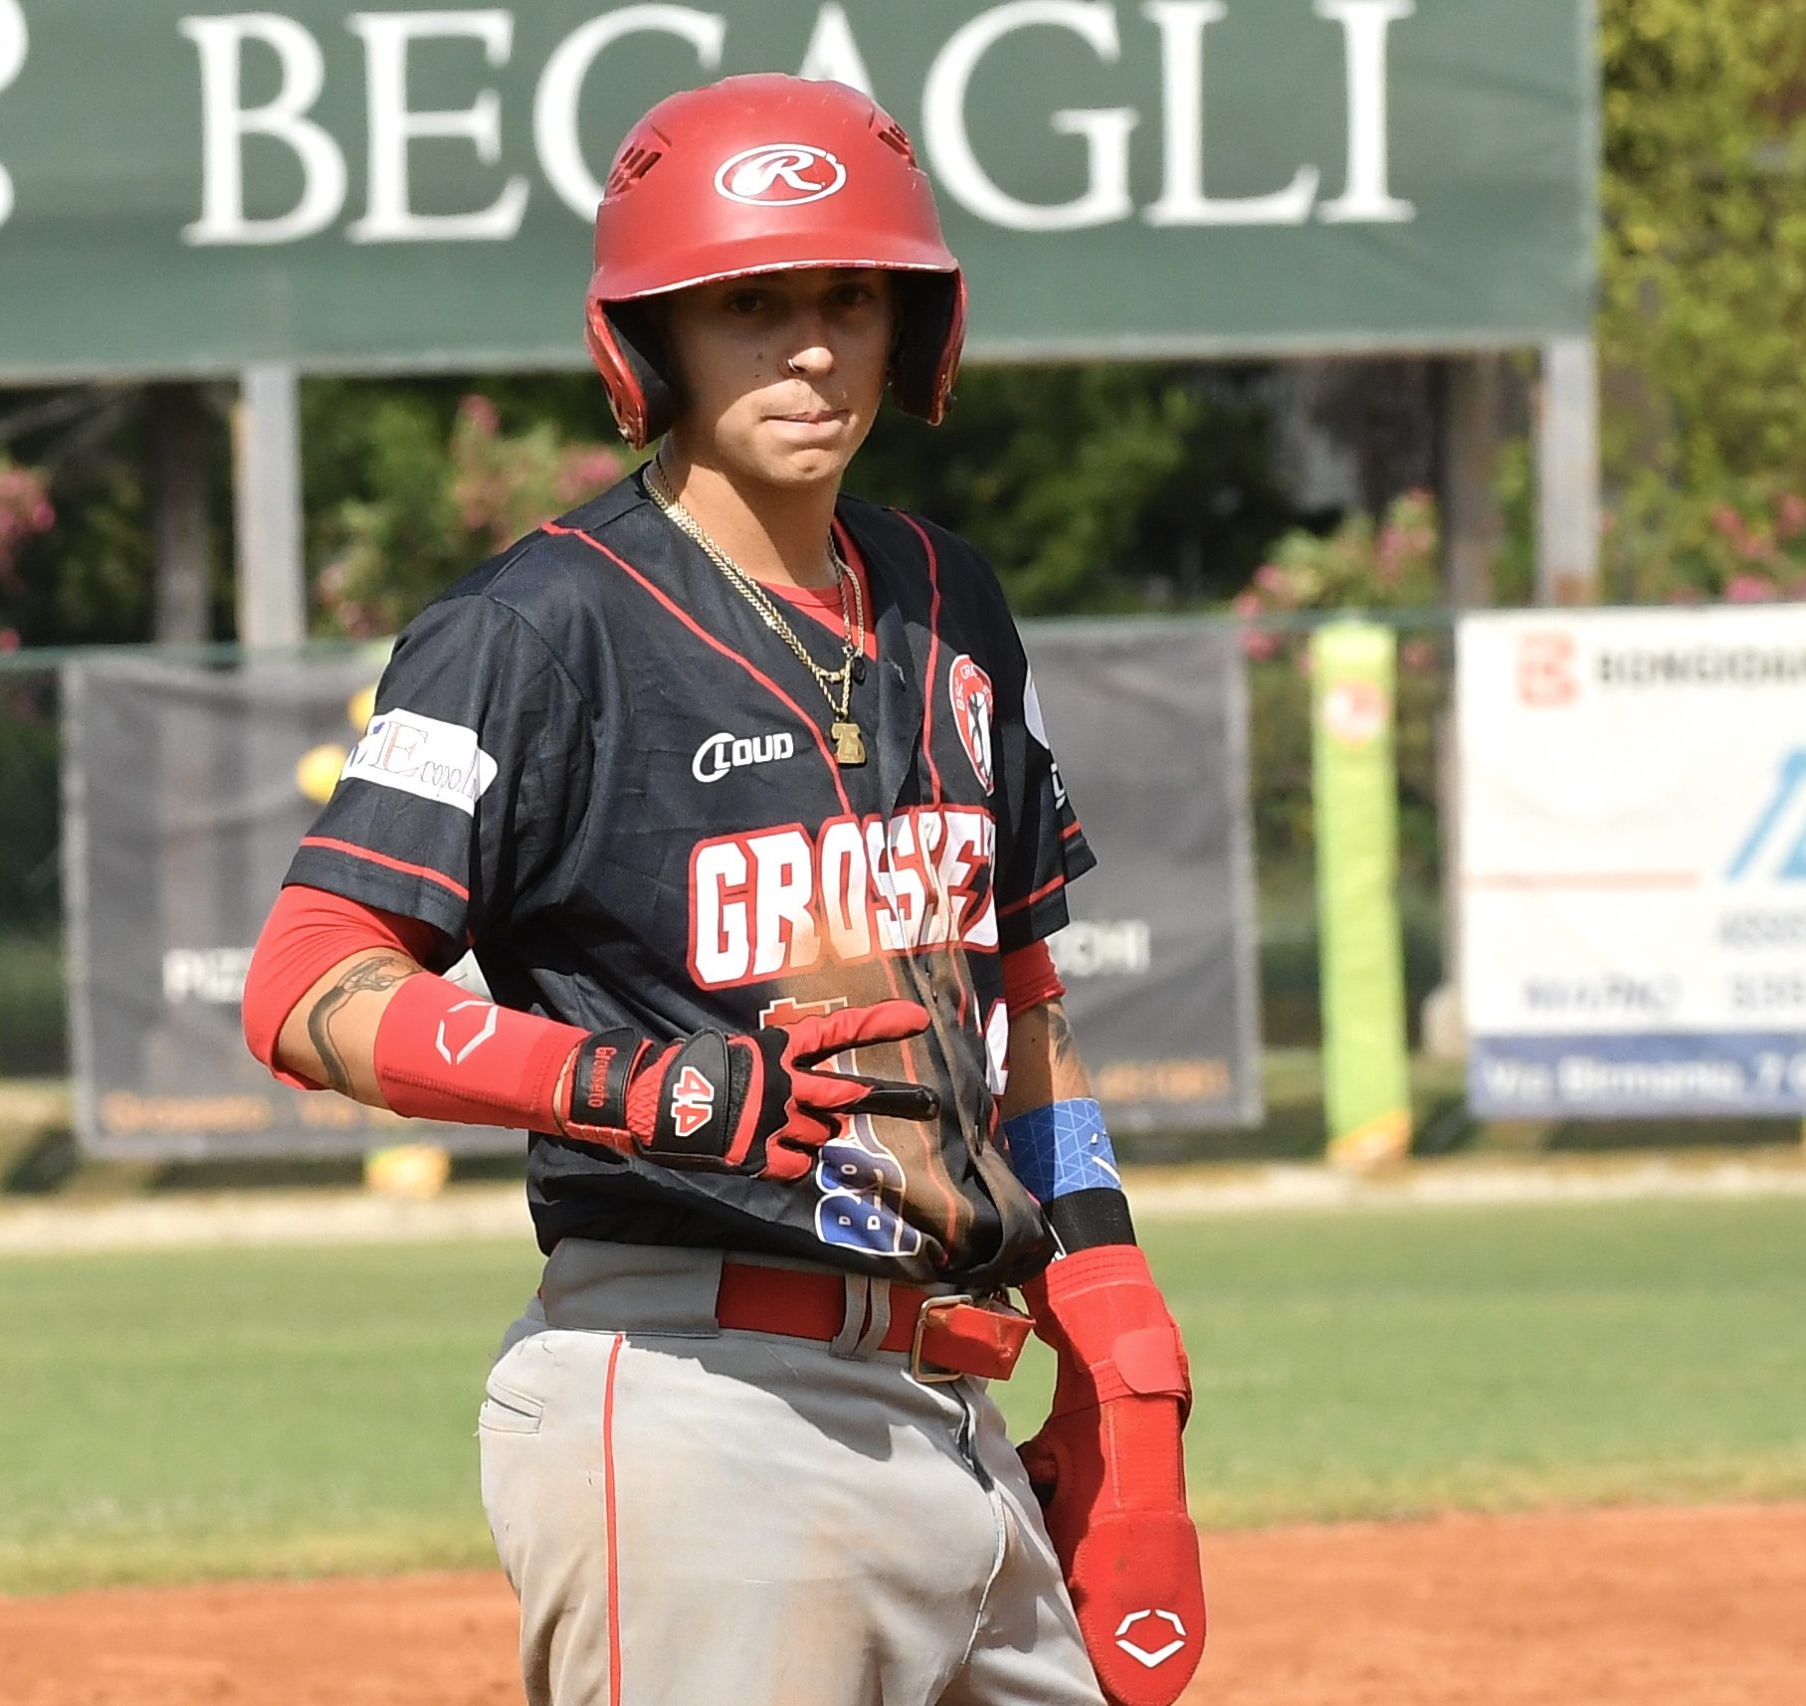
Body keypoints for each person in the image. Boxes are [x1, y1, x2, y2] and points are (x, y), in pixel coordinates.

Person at [241, 72, 1203, 1706]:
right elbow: (306, 984)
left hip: (954, 1409)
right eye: (751, 304)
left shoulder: (953, 602)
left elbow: (1025, 1004)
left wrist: (1119, 1331)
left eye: (850, 299)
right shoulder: (535, 630)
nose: (811, 348)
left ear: (912, 328)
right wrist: (622, 1083)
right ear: (657, 338)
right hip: (702, 1410)